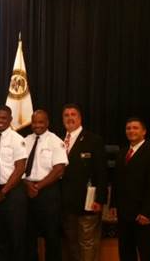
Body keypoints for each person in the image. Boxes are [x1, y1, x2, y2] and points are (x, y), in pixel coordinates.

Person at [110, 117, 150, 261]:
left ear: (144, 132)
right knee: (125, 251)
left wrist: (147, 212)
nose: (131, 131)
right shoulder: (122, 153)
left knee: (146, 252)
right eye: (128, 128)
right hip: (124, 213)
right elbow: (116, 181)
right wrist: (113, 204)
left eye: (135, 128)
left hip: (142, 214)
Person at [61, 104, 107, 261]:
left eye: (73, 114)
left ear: (80, 118)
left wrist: (100, 199)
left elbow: (102, 172)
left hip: (88, 202)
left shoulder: (93, 140)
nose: (69, 117)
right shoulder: (59, 141)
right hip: (66, 204)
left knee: (87, 243)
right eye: (66, 115)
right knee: (71, 243)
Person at [24, 110, 68, 261]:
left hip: (48, 193)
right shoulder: (26, 140)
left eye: (41, 122)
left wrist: (38, 186)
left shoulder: (55, 141)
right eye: (35, 122)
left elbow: (59, 169)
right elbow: (20, 167)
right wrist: (28, 185)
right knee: (28, 237)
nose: (37, 125)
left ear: (47, 123)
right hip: (27, 191)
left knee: (52, 237)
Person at [0, 105, 28, 261]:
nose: (0, 121)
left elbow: (20, 169)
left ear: (10, 119)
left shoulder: (17, 139)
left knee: (16, 236)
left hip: (13, 192)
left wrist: (3, 191)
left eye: (4, 118)